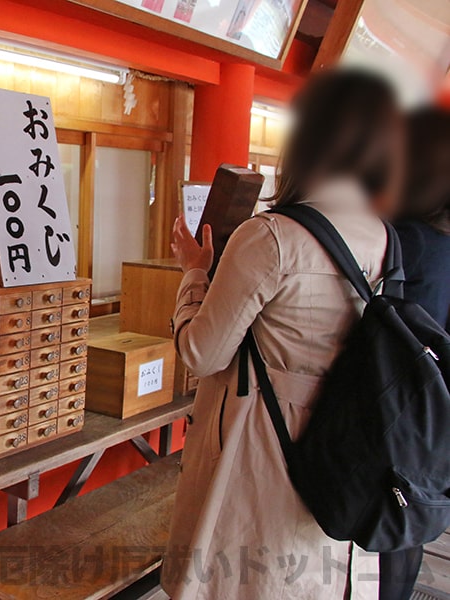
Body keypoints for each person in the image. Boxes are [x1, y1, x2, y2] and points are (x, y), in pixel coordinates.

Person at [161, 69, 404, 599]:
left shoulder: (271, 237)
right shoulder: (383, 236)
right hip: (344, 449)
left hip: (263, 450)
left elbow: (202, 352)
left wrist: (194, 273)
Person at [378, 107, 450, 600]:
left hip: (394, 408)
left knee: (384, 521)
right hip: (436, 413)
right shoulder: (440, 237)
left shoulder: (401, 238)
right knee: (412, 518)